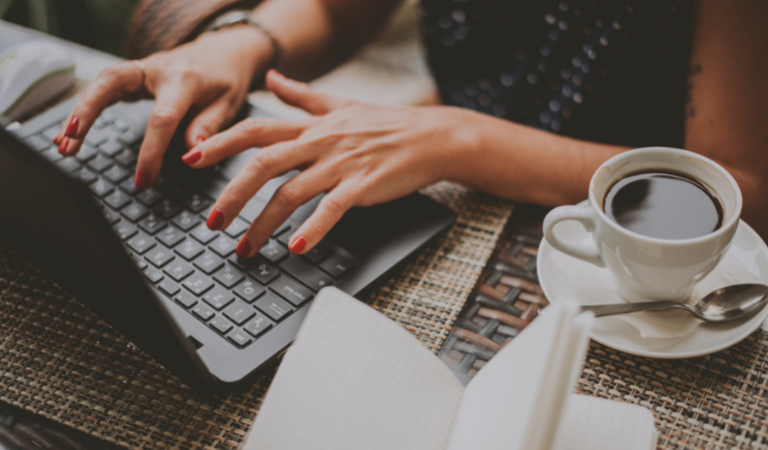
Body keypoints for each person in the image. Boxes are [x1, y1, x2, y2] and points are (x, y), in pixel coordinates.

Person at [53, 0, 767, 259]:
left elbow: (742, 186)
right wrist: (240, 43)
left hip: (626, 230)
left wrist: (458, 138)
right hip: (444, 169)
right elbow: (335, 14)